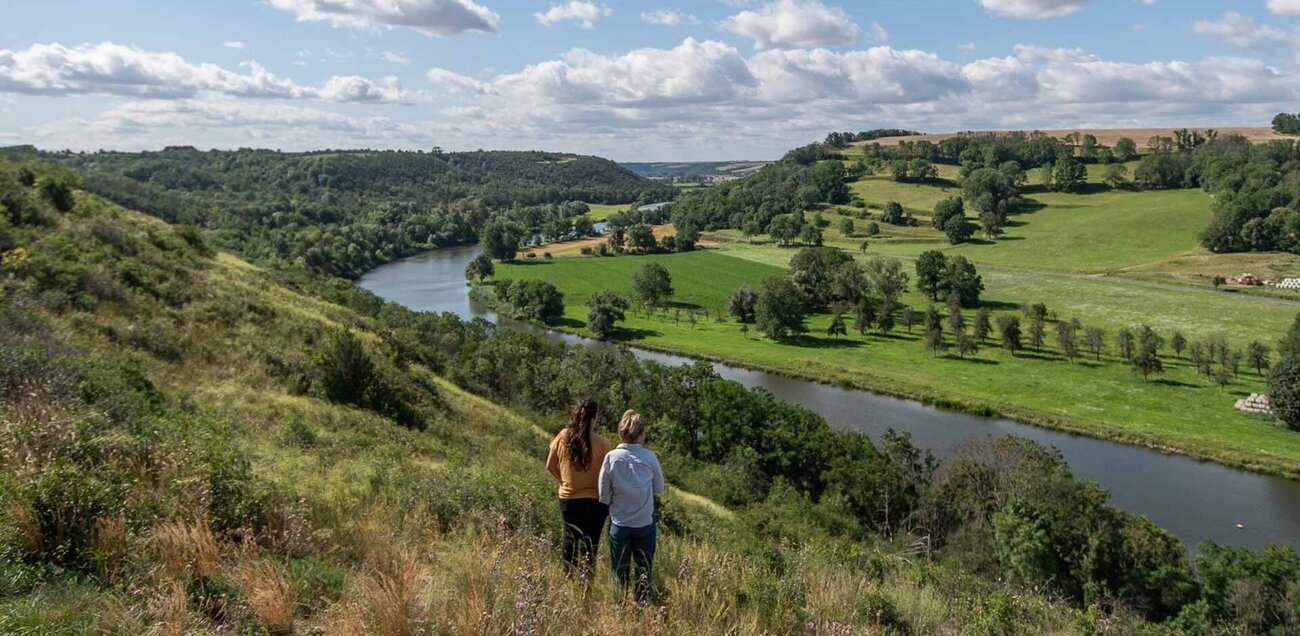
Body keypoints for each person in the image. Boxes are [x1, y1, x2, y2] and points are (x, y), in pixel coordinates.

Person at [598, 409, 664, 604]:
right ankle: (643, 604)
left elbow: (603, 493)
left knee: (619, 568)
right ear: (641, 435)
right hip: (644, 522)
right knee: (644, 567)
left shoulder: (611, 457)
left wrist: (617, 503)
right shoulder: (650, 457)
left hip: (620, 522)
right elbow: (659, 488)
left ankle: (618, 604)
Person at [546, 399, 611, 574]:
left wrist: (564, 482)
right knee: (591, 545)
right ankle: (587, 584)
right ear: (595, 418)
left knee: (570, 541)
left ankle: (568, 580)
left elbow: (550, 465)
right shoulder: (603, 443)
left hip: (569, 499)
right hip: (595, 502)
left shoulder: (563, 436)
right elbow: (608, 475)